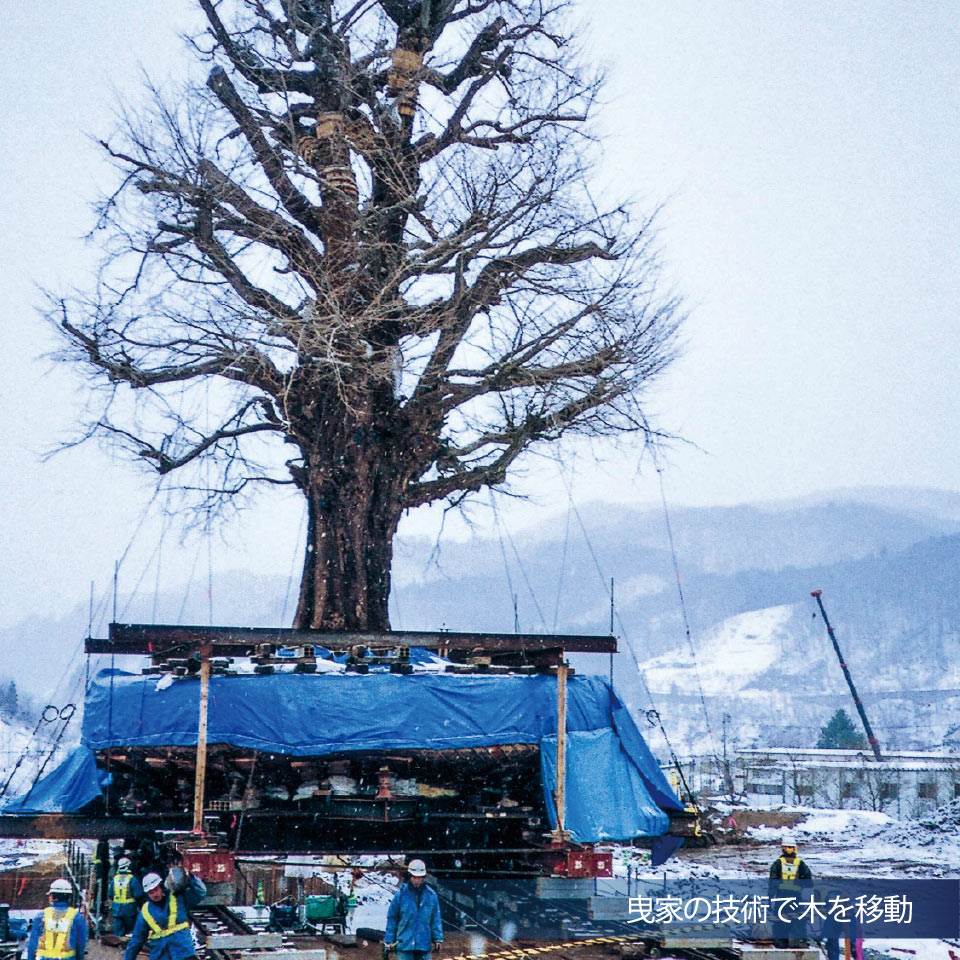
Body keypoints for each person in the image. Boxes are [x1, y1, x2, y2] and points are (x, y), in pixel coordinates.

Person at [123, 869, 206, 960]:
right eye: (151, 892)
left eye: (156, 889)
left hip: (183, 952)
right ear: (147, 894)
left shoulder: (178, 898)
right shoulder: (145, 912)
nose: (154, 894)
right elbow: (136, 941)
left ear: (161, 887)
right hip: (161, 955)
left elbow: (200, 893)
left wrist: (190, 878)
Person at [384, 859, 443, 960]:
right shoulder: (401, 895)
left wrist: (437, 938)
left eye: (419, 878)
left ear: (423, 877)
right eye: (414, 877)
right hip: (405, 944)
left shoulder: (431, 896)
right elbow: (392, 918)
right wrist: (389, 939)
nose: (417, 880)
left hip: (423, 945)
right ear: (410, 876)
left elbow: (435, 919)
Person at [768, 835, 812, 948]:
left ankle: (780, 945)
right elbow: (808, 882)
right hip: (796, 897)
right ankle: (800, 944)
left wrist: (769, 899)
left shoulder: (778, 863)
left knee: (780, 922)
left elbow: (772, 883)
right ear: (795, 848)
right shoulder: (800, 863)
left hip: (781, 897)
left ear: (782, 848)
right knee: (798, 922)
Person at [27, 879, 87, 960]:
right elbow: (81, 945)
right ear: (69, 898)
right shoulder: (77, 918)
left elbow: (32, 944)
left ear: (52, 897)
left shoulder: (40, 916)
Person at [111, 857, 143, 938]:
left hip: (116, 909)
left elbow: (110, 893)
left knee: (118, 933)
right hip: (129, 909)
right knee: (130, 932)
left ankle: (118, 947)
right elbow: (138, 894)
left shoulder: (115, 879)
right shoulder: (132, 879)